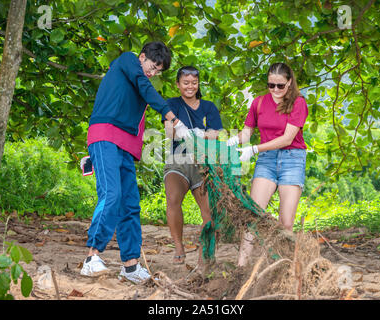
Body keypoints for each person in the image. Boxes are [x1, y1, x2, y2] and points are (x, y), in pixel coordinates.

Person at [80, 42, 191, 282]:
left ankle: (130, 266)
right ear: (142, 57)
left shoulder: (141, 82)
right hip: (105, 134)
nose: (153, 73)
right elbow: (145, 87)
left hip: (126, 145)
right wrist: (173, 117)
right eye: (153, 66)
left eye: (158, 72)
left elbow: (143, 96)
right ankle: (92, 257)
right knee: (111, 195)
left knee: (130, 204)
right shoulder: (128, 60)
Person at [227, 62, 308, 267]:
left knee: (286, 222)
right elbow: (247, 133)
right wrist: (234, 141)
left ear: (289, 82)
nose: (275, 90)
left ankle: (283, 265)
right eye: (271, 85)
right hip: (267, 160)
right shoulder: (259, 103)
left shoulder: (298, 103)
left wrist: (254, 149)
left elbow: (287, 139)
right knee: (253, 215)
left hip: (292, 159)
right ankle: (241, 266)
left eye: (280, 85)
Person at [162, 66, 223, 265]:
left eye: (194, 83)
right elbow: (169, 133)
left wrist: (197, 134)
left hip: (202, 164)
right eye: (186, 83)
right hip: (178, 162)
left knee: (209, 211)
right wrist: (182, 132)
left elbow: (215, 135)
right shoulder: (171, 104)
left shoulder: (209, 107)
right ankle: (178, 246)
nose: (190, 86)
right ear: (178, 84)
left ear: (198, 85)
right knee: (173, 199)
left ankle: (206, 251)